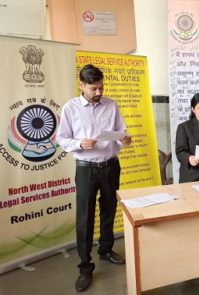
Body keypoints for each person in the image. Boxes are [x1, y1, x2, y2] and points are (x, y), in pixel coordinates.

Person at [56, 64, 131, 292]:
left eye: (101, 87)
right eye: (93, 89)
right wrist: (79, 143)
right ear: (82, 86)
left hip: (110, 166)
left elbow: (120, 132)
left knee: (109, 210)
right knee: (85, 218)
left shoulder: (111, 104)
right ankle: (85, 267)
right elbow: (62, 138)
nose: (99, 92)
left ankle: (106, 249)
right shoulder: (70, 108)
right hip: (86, 168)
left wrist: (123, 140)